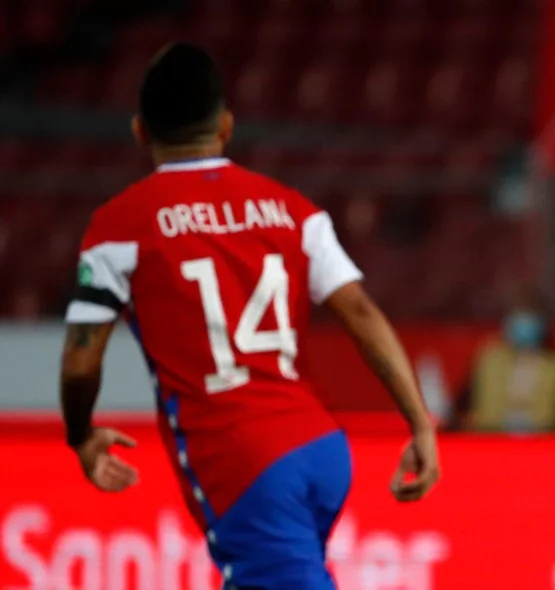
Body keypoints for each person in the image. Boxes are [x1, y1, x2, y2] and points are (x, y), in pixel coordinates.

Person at [58, 43, 440, 589]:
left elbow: (78, 364)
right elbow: (361, 311)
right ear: (227, 125)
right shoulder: (293, 209)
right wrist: (419, 421)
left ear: (140, 131)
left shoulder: (119, 227)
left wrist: (80, 435)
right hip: (321, 449)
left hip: (247, 463)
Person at [454, 301, 555, 433]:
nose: (524, 327)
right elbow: (478, 408)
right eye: (518, 319)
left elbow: (553, 415)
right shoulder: (490, 358)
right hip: (491, 436)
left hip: (540, 439)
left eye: (529, 320)